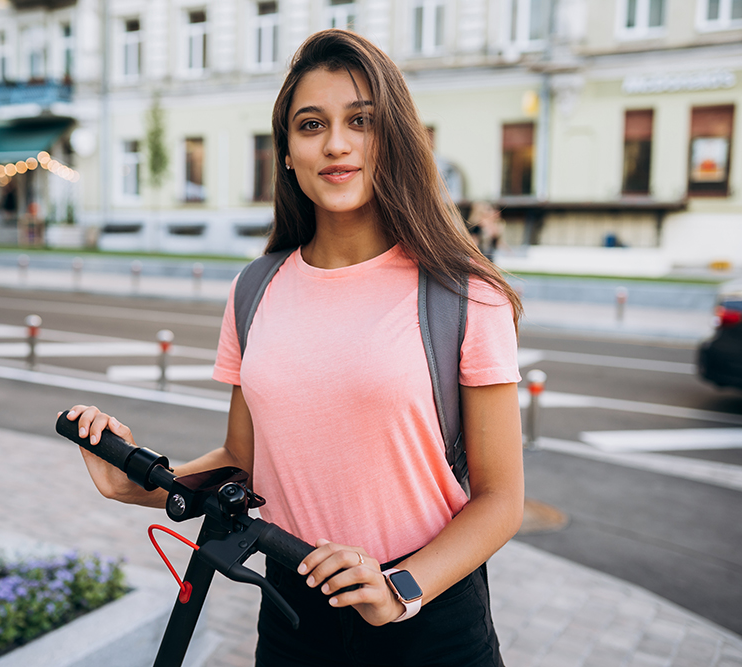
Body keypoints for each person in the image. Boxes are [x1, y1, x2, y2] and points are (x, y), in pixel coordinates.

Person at [66, 29, 523, 667]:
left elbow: (502, 500)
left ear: (392, 137)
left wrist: (401, 588)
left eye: (360, 121)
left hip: (427, 618)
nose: (336, 144)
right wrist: (137, 481)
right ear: (286, 151)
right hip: (291, 614)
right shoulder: (256, 289)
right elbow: (245, 464)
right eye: (312, 125)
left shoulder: (463, 293)